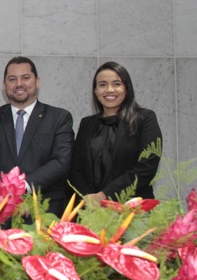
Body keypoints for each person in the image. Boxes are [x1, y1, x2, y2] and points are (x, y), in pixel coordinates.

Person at [0, 57, 74, 216]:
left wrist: (23, 187)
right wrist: (6, 191)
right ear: (4, 85)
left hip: (45, 210)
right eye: (12, 79)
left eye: (25, 78)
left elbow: (61, 162)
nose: (19, 84)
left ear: (37, 81)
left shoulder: (59, 118)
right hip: (0, 211)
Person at [69, 61, 162, 203]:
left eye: (117, 84)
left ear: (127, 88)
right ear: (95, 91)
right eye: (102, 85)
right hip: (92, 209)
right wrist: (89, 199)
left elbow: (147, 166)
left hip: (133, 207)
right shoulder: (87, 124)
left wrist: (104, 196)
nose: (109, 90)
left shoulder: (145, 119)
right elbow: (76, 169)